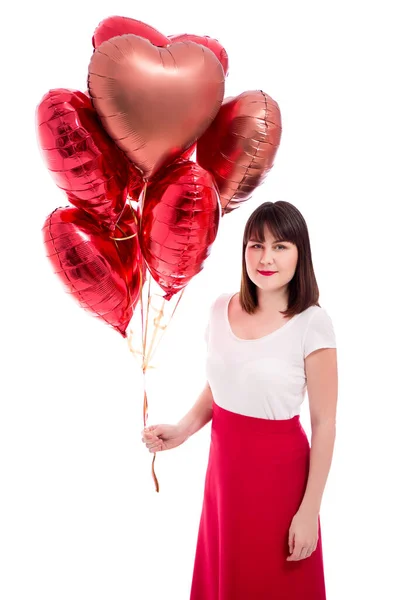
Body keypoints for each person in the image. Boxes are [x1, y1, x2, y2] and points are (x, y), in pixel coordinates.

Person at [141, 200, 338, 599]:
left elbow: (324, 423)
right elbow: (222, 386)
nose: (266, 258)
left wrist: (309, 510)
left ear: (301, 254)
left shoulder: (312, 324)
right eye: (256, 245)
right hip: (225, 480)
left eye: (281, 246)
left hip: (280, 483)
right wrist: (182, 430)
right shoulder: (219, 309)